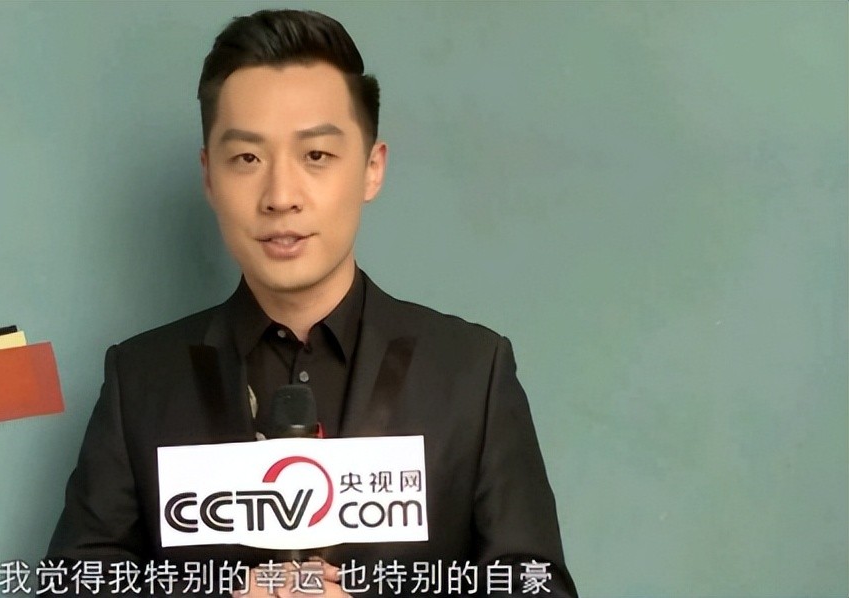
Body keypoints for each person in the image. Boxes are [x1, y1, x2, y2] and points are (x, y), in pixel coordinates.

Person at [46, 9, 576, 597]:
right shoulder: (141, 378)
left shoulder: (472, 372)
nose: (281, 196)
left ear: (371, 169)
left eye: (316, 156)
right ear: (210, 177)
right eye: (247, 158)